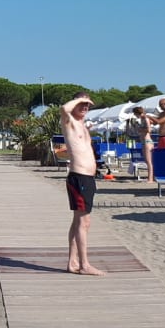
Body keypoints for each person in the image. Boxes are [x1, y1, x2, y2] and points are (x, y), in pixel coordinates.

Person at [61, 92, 106, 276]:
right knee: (83, 221)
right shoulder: (69, 122)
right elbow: (64, 108)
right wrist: (79, 100)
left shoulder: (83, 125)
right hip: (79, 177)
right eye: (82, 104)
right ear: (75, 104)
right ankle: (84, 265)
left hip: (88, 178)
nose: (85, 107)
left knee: (78, 221)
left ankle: (72, 261)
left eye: (88, 105)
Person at [125, 105, 153, 183]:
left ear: (137, 113)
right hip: (144, 141)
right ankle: (151, 177)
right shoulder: (143, 119)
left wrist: (139, 129)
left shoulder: (145, 118)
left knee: (149, 161)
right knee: (147, 161)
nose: (135, 115)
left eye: (135, 114)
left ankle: (150, 179)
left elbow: (149, 130)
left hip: (147, 141)